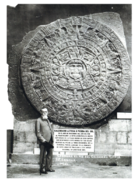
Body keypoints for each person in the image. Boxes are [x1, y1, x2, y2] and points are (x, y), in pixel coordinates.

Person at [36, 108, 55, 175]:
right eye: (43, 112)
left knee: (50, 154)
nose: (45, 113)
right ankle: (42, 169)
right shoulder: (38, 120)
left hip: (50, 140)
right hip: (44, 141)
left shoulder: (47, 119)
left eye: (46, 111)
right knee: (43, 156)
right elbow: (38, 133)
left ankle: (48, 167)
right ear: (41, 112)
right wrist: (43, 140)